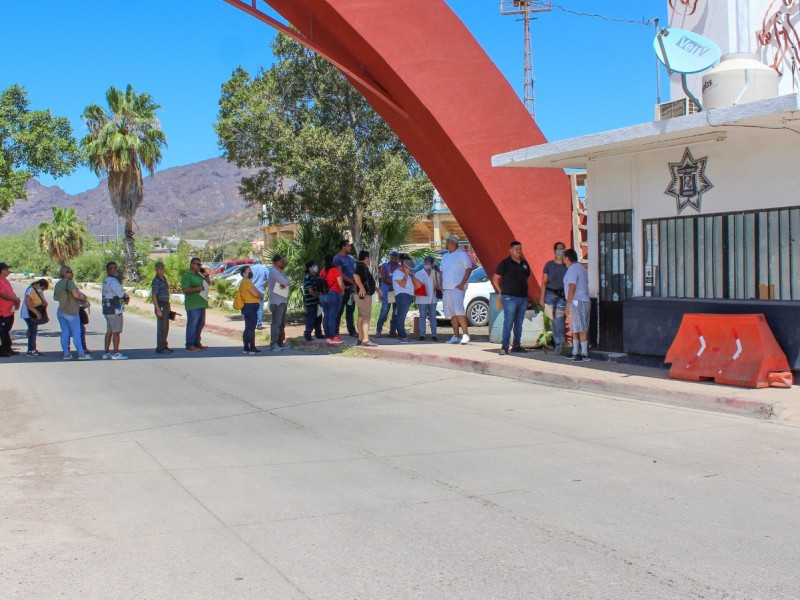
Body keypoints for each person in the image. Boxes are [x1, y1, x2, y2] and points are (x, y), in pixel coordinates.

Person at [492, 241, 531, 355]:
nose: (518, 251)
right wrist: (501, 291)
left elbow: (526, 278)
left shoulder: (524, 263)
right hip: (509, 298)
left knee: (519, 322)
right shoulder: (505, 263)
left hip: (522, 298)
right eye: (516, 249)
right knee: (508, 321)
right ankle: (504, 346)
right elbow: (496, 278)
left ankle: (517, 345)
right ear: (511, 250)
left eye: (520, 249)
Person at [53, 265, 92, 360]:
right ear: (63, 273)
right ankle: (81, 354)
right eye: (69, 271)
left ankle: (66, 354)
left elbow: (55, 298)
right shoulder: (70, 283)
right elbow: (76, 295)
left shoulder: (58, 284)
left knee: (65, 332)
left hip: (61, 310)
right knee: (76, 333)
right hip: (71, 311)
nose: (72, 273)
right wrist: (83, 297)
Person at [440, 234, 473, 344]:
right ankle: (456, 335)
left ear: (454, 243)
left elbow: (468, 269)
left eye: (449, 242)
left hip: (457, 288)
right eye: (447, 242)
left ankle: (465, 334)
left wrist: (462, 284)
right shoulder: (445, 256)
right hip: (447, 288)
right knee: (452, 313)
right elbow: (441, 272)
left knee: (459, 312)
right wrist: (441, 285)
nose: (447, 244)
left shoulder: (462, 254)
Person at [539, 241, 568, 355]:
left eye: (563, 249)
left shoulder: (567, 265)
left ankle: (561, 343)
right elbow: (544, 282)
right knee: (553, 320)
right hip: (550, 295)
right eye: (559, 249)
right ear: (555, 251)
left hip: (562, 296)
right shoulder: (549, 265)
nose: (561, 251)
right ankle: (557, 344)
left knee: (560, 319)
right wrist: (542, 298)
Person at [563, 248, 591, 362]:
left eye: (564, 257)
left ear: (567, 258)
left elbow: (572, 286)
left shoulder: (572, 269)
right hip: (583, 300)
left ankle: (584, 353)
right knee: (575, 327)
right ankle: (575, 351)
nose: (564, 260)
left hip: (577, 301)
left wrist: (568, 304)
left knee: (580, 328)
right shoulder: (580, 268)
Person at [101, 262, 130, 360]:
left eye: (115, 268)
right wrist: (126, 297)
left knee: (109, 331)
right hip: (114, 310)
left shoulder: (106, 280)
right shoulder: (113, 281)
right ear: (108, 270)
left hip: (107, 309)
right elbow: (121, 295)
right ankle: (116, 353)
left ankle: (106, 352)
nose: (115, 269)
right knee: (116, 332)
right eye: (112, 268)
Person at [181, 257, 210, 352]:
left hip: (201, 303)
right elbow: (185, 289)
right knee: (192, 325)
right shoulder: (187, 275)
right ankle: (190, 344)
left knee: (200, 324)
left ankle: (197, 342)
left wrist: (206, 276)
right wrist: (197, 288)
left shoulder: (199, 275)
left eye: (200, 265)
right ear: (192, 265)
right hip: (193, 305)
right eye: (198, 264)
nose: (199, 266)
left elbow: (207, 285)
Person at [353, 250, 380, 346]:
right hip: (364, 295)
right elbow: (356, 276)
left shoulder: (362, 266)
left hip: (362, 295)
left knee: (361, 317)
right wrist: (361, 288)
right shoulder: (360, 266)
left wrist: (376, 289)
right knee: (365, 318)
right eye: (369, 258)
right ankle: (365, 339)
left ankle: (360, 338)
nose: (370, 260)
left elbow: (367, 280)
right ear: (366, 258)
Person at [392, 254, 421, 344]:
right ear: (403, 264)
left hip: (407, 295)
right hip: (402, 295)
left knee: (400, 315)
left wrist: (410, 275)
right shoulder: (397, 272)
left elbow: (418, 285)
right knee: (401, 316)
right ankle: (402, 336)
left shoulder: (407, 273)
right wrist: (406, 274)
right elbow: (402, 285)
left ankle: (401, 335)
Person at [333, 239, 357, 338]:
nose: (350, 247)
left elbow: (354, 270)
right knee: (339, 310)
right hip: (342, 288)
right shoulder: (337, 258)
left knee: (350, 310)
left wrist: (354, 283)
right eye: (348, 246)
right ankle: (335, 331)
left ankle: (352, 331)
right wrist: (351, 282)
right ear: (343, 247)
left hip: (352, 288)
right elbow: (339, 274)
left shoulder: (351, 258)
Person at [319, 254, 345, 344]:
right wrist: (342, 291)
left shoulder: (322, 271)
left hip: (323, 295)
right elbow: (341, 284)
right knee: (332, 316)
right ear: (332, 261)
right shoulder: (335, 270)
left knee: (326, 316)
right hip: (334, 294)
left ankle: (327, 337)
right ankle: (333, 336)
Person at [267, 254, 291, 351]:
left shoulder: (280, 272)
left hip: (282, 301)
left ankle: (280, 342)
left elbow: (286, 282)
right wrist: (288, 279)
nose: (283, 263)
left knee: (282, 323)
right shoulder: (274, 272)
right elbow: (286, 282)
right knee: (276, 323)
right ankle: (274, 344)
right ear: (276, 262)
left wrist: (287, 280)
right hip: (276, 302)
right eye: (281, 261)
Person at [238, 265, 264, 354]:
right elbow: (256, 294)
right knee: (251, 328)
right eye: (248, 271)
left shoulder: (246, 282)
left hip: (248, 306)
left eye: (250, 271)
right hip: (250, 306)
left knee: (248, 327)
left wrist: (259, 293)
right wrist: (261, 295)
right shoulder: (246, 282)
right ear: (244, 273)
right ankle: (252, 348)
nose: (250, 273)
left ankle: (246, 347)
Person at [20, 278, 49, 357]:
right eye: (42, 288)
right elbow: (28, 303)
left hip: (32, 314)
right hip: (29, 314)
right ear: (39, 285)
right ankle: (31, 350)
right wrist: (36, 312)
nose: (42, 290)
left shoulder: (37, 291)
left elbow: (42, 301)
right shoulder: (31, 290)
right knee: (33, 331)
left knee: (33, 330)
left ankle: (32, 348)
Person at [414, 256, 440, 341]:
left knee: (433, 317)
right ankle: (422, 334)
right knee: (422, 316)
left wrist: (437, 287)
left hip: (433, 298)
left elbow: (439, 286)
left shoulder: (435, 274)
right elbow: (416, 285)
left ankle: (434, 334)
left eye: (428, 263)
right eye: (425, 262)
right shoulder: (418, 274)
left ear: (432, 264)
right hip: (422, 299)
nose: (426, 264)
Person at [376, 249, 400, 337]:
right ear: (389, 256)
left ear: (398, 257)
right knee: (385, 311)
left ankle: (393, 330)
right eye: (392, 256)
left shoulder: (400, 266)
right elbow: (384, 278)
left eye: (396, 256)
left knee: (396, 312)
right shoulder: (385, 265)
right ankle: (379, 329)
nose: (394, 257)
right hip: (387, 292)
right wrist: (396, 283)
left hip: (397, 292)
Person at [151, 261, 173, 354]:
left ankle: (164, 344)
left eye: (163, 268)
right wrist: (158, 309)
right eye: (160, 268)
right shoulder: (156, 280)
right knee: (162, 327)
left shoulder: (164, 278)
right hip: (160, 304)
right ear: (156, 269)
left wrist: (169, 307)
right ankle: (160, 347)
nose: (162, 270)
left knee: (166, 326)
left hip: (166, 304)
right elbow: (154, 296)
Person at [0, 262, 21, 357]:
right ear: (2, 270)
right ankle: (4, 350)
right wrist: (14, 299)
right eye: (6, 269)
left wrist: (16, 301)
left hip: (9, 311)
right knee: (3, 331)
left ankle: (8, 348)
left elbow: (10, 292)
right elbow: (2, 294)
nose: (8, 270)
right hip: (2, 311)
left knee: (7, 330)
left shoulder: (5, 280)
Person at [302, 260, 324, 341]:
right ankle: (307, 333)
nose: (316, 267)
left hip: (317, 302)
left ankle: (318, 333)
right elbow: (311, 291)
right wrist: (319, 295)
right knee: (311, 317)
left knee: (319, 317)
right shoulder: (308, 277)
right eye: (314, 266)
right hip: (311, 302)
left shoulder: (315, 277)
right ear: (310, 268)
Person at [249, 262, 269, 330]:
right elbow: (269, 279)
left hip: (251, 291)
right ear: (260, 262)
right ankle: (259, 324)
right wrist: (265, 285)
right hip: (260, 291)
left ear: (254, 263)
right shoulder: (265, 268)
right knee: (259, 308)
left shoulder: (250, 268)